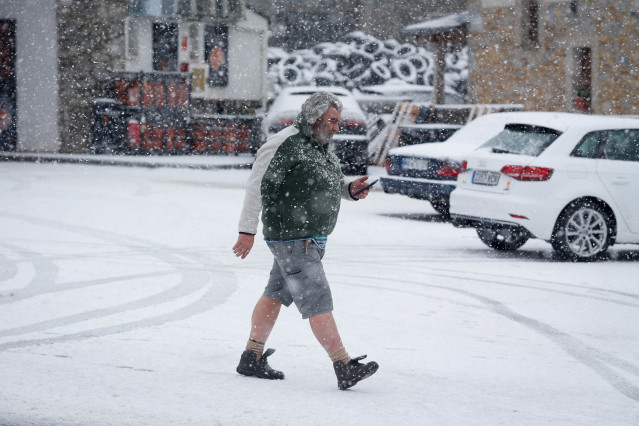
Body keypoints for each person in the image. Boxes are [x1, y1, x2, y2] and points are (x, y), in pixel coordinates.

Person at [232, 91, 379, 390]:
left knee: (274, 294)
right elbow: (256, 186)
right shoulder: (284, 143)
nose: (338, 128)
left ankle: (252, 356)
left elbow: (324, 184)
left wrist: (349, 189)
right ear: (314, 118)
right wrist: (246, 231)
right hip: (292, 238)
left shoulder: (320, 147)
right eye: (333, 121)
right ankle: (343, 365)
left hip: (309, 238)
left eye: (339, 121)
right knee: (317, 299)